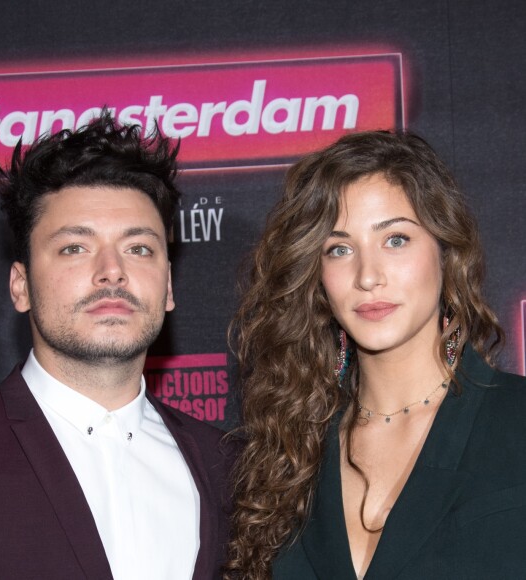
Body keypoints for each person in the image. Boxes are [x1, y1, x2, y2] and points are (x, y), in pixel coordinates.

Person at [0, 111, 236, 580]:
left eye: (139, 248)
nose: (112, 271)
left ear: (167, 287)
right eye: (74, 248)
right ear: (20, 286)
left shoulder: (230, 468)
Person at [224, 130, 526, 579]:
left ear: (445, 252)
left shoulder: (515, 420)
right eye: (340, 249)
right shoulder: (286, 452)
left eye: (396, 240)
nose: (368, 276)